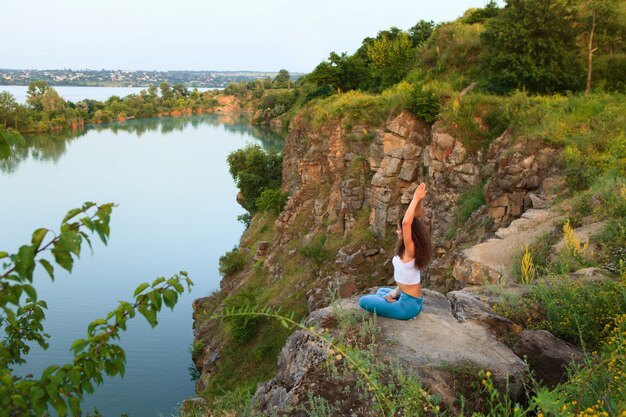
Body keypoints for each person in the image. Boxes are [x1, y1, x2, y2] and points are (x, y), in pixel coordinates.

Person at [358, 183, 432, 320]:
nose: (397, 231)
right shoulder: (412, 245)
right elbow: (417, 219)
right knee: (381, 291)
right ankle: (393, 298)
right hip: (407, 296)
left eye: (398, 229)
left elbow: (406, 223)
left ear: (405, 232)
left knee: (363, 301)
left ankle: (396, 305)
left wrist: (415, 198)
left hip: (408, 307)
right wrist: (419, 201)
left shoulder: (411, 249)